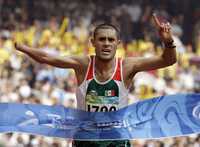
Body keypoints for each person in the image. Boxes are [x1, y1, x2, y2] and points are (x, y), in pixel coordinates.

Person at [15, 13, 176, 147]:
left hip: (116, 141)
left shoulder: (127, 66)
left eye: (111, 40)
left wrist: (168, 41)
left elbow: (168, 61)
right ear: (93, 42)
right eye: (102, 39)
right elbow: (47, 58)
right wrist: (21, 46)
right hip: (86, 140)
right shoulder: (83, 65)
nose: (106, 44)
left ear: (118, 44)